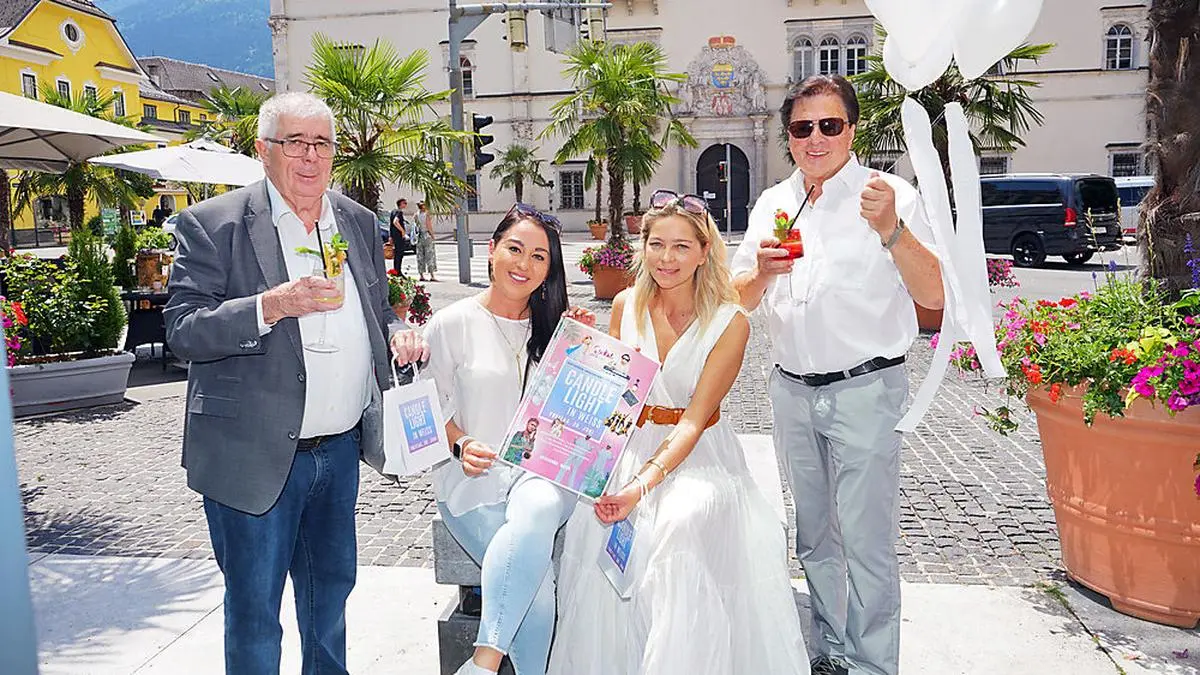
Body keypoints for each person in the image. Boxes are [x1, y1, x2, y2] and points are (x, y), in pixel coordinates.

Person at [164, 91, 429, 675]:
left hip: (336, 453)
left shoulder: (357, 221)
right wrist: (270, 306)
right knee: (255, 613)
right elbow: (183, 331)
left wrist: (398, 330)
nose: (310, 157)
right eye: (295, 143)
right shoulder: (213, 224)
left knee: (329, 602)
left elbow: (376, 307)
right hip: (253, 457)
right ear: (264, 151)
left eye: (321, 144)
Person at [730, 75, 944, 675]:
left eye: (830, 125)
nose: (816, 139)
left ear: (852, 130)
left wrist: (892, 231)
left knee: (867, 539)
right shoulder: (774, 202)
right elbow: (738, 297)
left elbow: (935, 294)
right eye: (803, 128)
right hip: (792, 389)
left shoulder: (889, 195)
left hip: (866, 387)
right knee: (815, 537)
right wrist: (765, 272)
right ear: (789, 135)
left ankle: (874, 664)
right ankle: (830, 650)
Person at [547, 190, 810, 675]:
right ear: (642, 246)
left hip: (699, 456)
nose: (667, 258)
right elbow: (610, 394)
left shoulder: (731, 322)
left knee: (679, 525)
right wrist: (580, 345)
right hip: (630, 448)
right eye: (657, 244)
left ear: (705, 251)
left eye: (682, 246)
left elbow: (693, 419)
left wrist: (640, 486)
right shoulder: (624, 304)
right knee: (597, 533)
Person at [423, 203, 596, 675]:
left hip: (540, 479)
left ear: (550, 270)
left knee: (538, 503)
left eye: (539, 257)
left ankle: (483, 662)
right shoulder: (451, 324)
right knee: (536, 590)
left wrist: (584, 354)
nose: (524, 264)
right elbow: (429, 410)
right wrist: (460, 444)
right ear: (492, 249)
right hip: (472, 481)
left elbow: (580, 416)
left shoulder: (561, 331)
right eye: (515, 249)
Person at [414, 200, 438, 282]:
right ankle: (432, 275)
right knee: (430, 255)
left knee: (420, 255)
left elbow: (416, 226)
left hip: (419, 236)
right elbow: (429, 226)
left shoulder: (416, 215)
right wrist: (432, 235)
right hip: (427, 236)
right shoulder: (427, 214)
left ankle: (421, 275)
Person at [389, 198, 413, 275]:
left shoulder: (393, 211)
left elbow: (391, 225)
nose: (406, 205)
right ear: (400, 204)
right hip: (399, 237)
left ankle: (396, 271)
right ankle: (398, 272)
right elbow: (395, 222)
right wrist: (402, 231)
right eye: (404, 203)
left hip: (395, 236)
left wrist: (391, 236)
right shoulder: (399, 212)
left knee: (396, 255)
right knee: (399, 254)